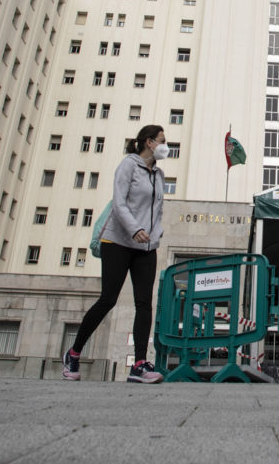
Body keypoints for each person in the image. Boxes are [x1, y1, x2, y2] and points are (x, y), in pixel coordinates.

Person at [63, 124, 167, 383]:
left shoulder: (159, 174)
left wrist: (156, 234)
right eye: (162, 141)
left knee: (144, 303)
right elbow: (119, 203)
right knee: (108, 299)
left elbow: (158, 210)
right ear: (149, 142)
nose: (166, 146)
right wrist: (135, 229)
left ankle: (139, 365)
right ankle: (74, 353)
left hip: (146, 246)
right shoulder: (128, 166)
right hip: (118, 241)